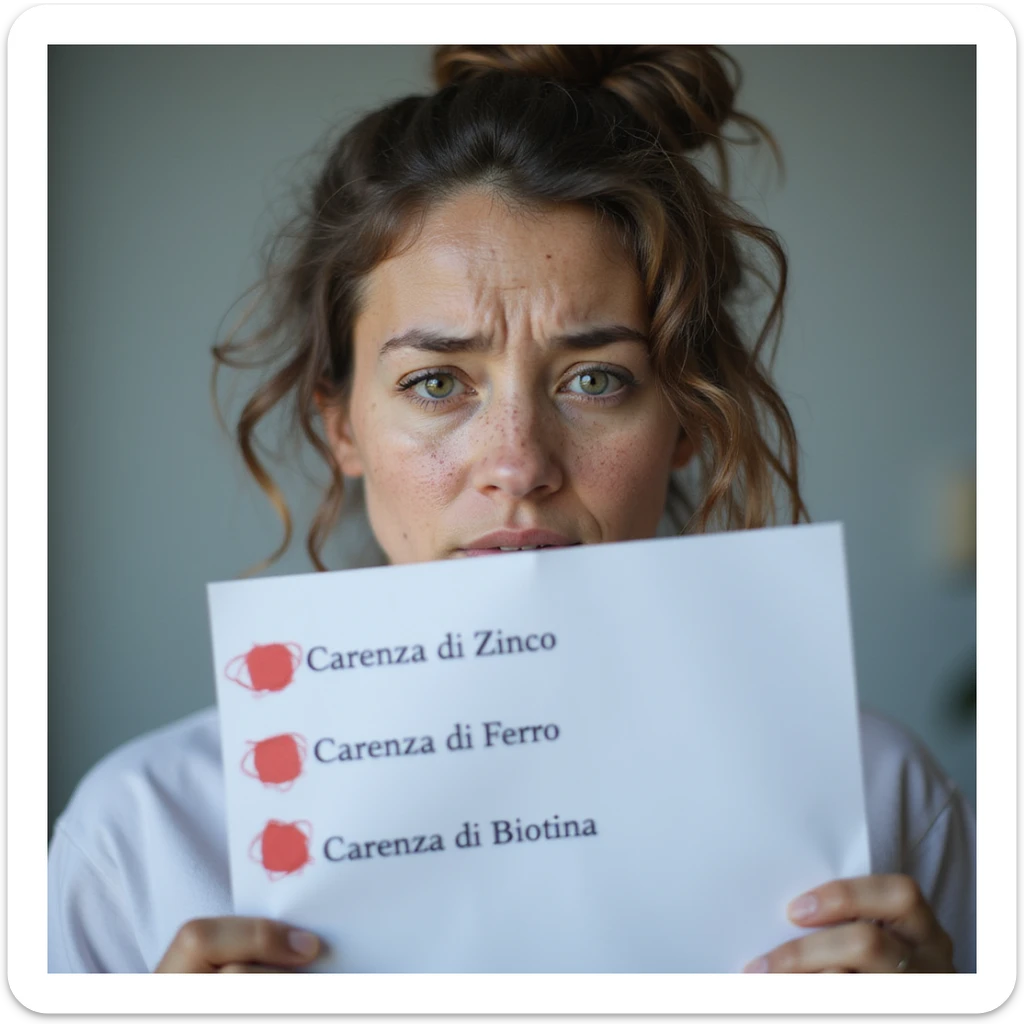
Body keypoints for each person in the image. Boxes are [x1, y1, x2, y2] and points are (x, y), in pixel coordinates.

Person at [47, 44, 975, 974]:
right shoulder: (144, 841)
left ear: (687, 419)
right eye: (439, 381)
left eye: (597, 378)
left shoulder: (880, 800)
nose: (520, 464)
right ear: (342, 428)